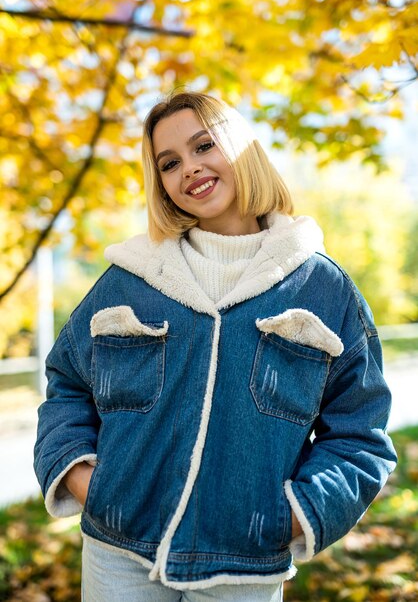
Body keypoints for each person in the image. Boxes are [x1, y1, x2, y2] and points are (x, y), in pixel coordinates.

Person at [34, 91, 397, 602]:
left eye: (205, 145)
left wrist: (293, 517)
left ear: (241, 146)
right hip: (119, 552)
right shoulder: (130, 280)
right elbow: (68, 383)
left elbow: (360, 433)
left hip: (245, 561)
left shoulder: (322, 288)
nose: (190, 168)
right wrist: (81, 479)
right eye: (169, 162)